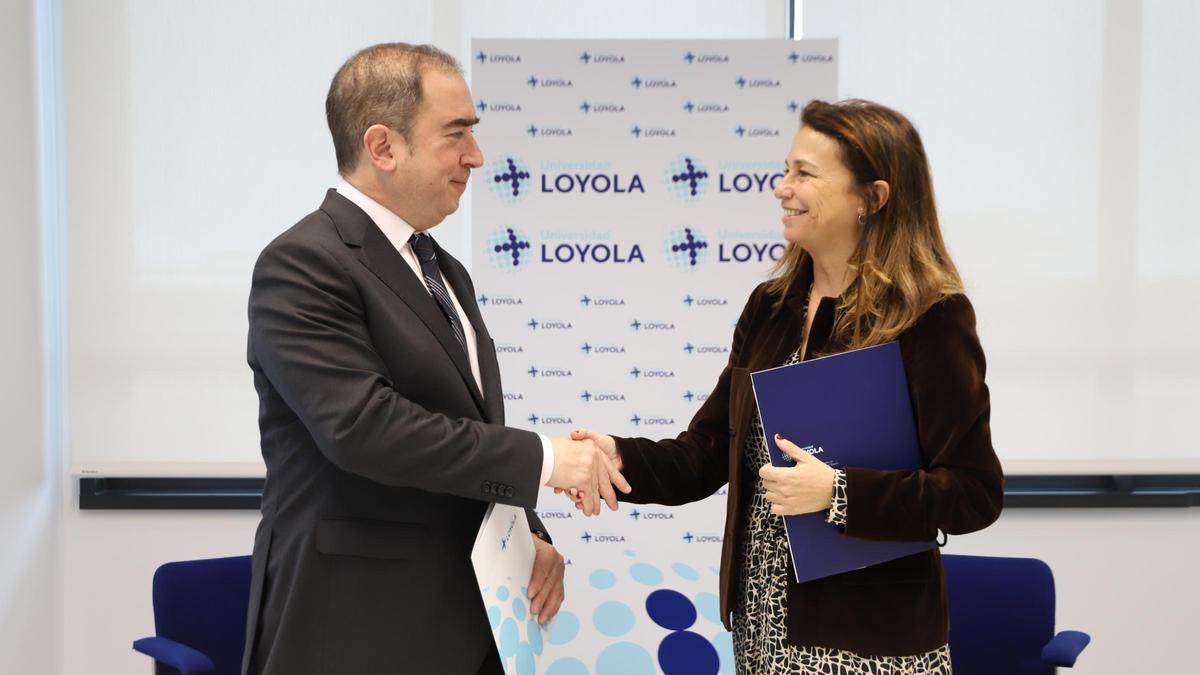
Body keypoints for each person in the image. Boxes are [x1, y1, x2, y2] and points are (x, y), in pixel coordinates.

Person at [571, 99, 1004, 673]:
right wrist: (618, 457)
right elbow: (706, 452)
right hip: (763, 635)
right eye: (785, 170)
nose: (782, 188)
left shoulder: (929, 318)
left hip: (870, 646)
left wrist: (841, 493)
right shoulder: (771, 308)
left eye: (804, 173)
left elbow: (973, 492)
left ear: (871, 198)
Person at [243, 43, 627, 675]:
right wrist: (550, 460)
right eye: (456, 135)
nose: (475, 156)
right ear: (383, 147)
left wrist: (529, 532)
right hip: (357, 629)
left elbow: (471, 422)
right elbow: (364, 429)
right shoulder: (303, 264)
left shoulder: (442, 269)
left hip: (471, 620)